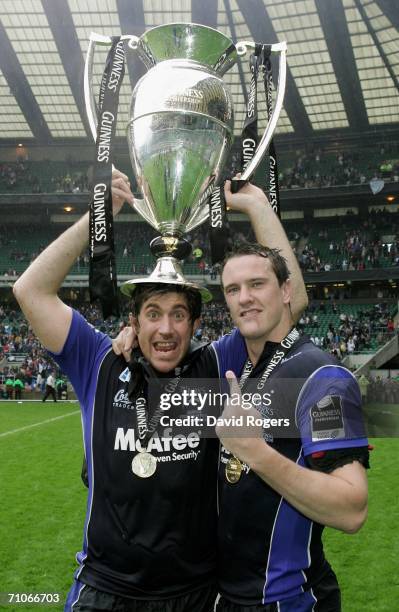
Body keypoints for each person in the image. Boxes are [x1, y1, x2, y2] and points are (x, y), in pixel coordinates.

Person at [13, 170, 307, 612]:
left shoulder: (213, 367)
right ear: (134, 322)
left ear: (194, 324)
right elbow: (30, 290)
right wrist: (99, 215)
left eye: (177, 315)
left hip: (194, 594)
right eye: (152, 313)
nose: (165, 329)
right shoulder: (101, 362)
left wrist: (257, 206)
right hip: (103, 590)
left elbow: (290, 301)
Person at [212, 242, 369, 611]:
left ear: (286, 291)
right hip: (225, 597)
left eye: (257, 284)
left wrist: (255, 452)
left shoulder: (321, 375)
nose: (244, 298)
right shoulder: (242, 368)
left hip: (288, 601)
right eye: (233, 290)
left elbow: (352, 508)